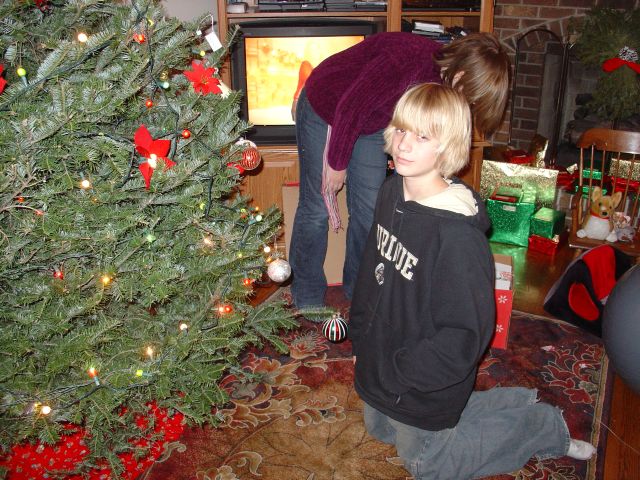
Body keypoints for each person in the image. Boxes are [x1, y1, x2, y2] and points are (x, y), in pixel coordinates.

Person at [348, 83, 596, 480]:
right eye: (401, 129)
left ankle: (542, 427)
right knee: (380, 429)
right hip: (386, 359)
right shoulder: (391, 192)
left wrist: (400, 372)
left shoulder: (457, 238)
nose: (404, 145)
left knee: (426, 465)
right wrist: (362, 342)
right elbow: (370, 274)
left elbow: (464, 336)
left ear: (447, 146)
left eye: (423, 136)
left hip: (421, 376)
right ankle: (512, 403)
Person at [289, 31, 510, 308]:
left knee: (370, 210)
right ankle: (306, 296)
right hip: (327, 104)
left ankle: (359, 292)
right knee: (317, 208)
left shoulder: (440, 87)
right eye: (472, 99)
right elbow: (351, 107)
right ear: (461, 75)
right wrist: (336, 163)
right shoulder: (407, 59)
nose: (469, 105)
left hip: (373, 121)